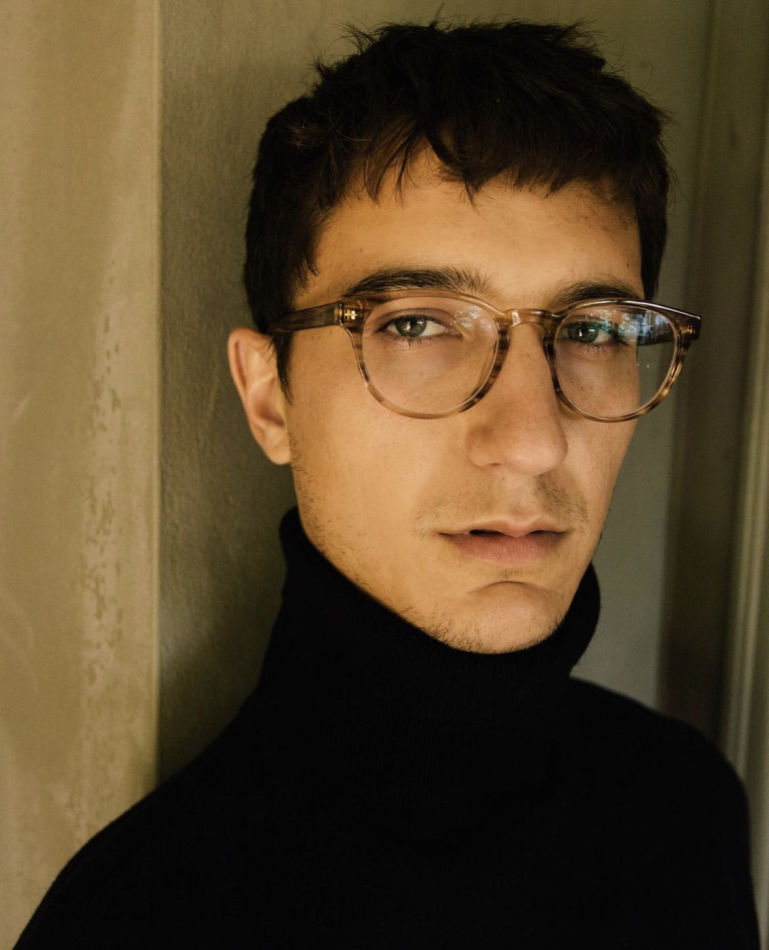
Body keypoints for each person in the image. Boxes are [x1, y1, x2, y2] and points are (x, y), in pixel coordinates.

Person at [15, 20, 759, 948]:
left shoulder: (685, 807)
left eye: (594, 329)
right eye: (415, 325)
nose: (531, 441)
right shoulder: (138, 918)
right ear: (270, 400)